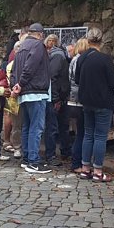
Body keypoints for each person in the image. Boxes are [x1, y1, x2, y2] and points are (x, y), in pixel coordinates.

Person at [74, 28, 114, 182]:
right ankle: (98, 170)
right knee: (100, 136)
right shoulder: (104, 59)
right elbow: (113, 82)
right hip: (103, 101)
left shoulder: (81, 58)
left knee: (88, 134)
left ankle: (85, 169)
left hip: (86, 100)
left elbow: (77, 79)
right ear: (101, 40)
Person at [10, 23, 51, 174]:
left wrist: (15, 85)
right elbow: (31, 67)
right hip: (35, 91)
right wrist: (20, 83)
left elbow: (14, 70)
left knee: (27, 126)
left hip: (24, 93)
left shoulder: (20, 48)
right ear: (40, 34)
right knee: (36, 127)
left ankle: (27, 158)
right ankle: (33, 161)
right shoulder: (38, 46)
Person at [44, 34, 71, 167]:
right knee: (54, 127)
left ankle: (64, 151)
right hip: (56, 97)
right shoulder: (59, 56)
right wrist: (56, 98)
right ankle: (51, 154)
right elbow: (53, 77)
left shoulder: (55, 55)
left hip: (59, 96)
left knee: (60, 126)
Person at [67, 38, 89, 174]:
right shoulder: (80, 61)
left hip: (73, 99)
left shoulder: (74, 59)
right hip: (78, 100)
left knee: (79, 132)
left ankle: (78, 161)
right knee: (81, 133)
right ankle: (77, 162)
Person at [1, 41, 23, 158]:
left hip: (22, 97)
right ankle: (16, 146)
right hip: (14, 98)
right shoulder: (10, 66)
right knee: (16, 123)